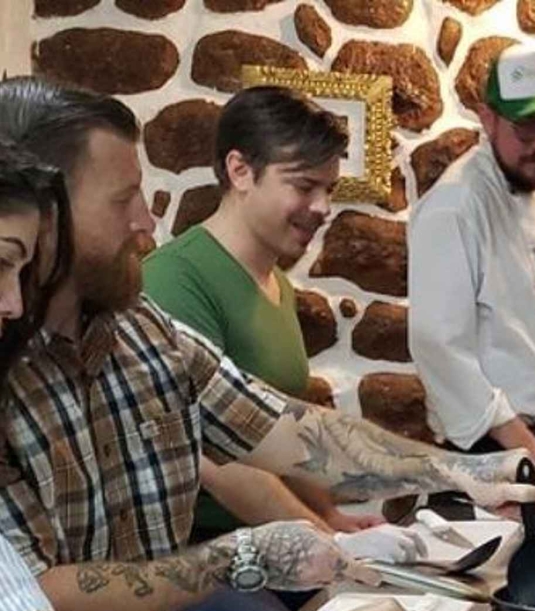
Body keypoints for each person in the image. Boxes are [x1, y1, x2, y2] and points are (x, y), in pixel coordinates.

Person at [0, 77, 535, 611]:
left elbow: (290, 432)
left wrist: (460, 471)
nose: (148, 224)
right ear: (49, 212)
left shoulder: (140, 330)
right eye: (123, 199)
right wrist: (249, 569)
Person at [144, 85, 387, 546]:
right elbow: (219, 463)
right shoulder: (176, 280)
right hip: (205, 553)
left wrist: (333, 518)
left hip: (275, 545)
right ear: (240, 170)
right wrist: (326, 542)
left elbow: (279, 439)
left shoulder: (279, 284)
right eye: (303, 186)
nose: (323, 207)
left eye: (329, 189)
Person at [409, 45, 535, 495]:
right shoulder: (455, 205)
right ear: (488, 119)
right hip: (488, 446)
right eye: (526, 128)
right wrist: (524, 445)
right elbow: (439, 347)